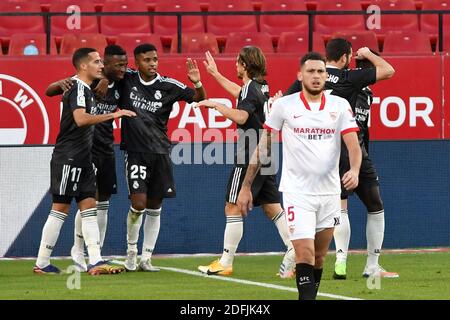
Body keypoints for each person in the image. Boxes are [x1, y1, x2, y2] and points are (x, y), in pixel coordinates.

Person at [237, 52, 362, 300]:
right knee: (304, 254)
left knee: (318, 257)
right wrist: (246, 186)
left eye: (320, 72)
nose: (316, 76)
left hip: (329, 193)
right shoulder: (285, 106)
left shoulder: (340, 106)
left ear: (326, 76)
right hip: (297, 193)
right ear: (300, 75)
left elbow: (353, 145)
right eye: (311, 71)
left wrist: (355, 170)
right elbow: (263, 146)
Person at [285, 39, 398, 280]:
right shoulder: (349, 78)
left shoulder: (307, 78)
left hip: (319, 151)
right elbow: (388, 70)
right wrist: (368, 53)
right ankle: (371, 265)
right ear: (346, 58)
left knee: (334, 208)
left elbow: (284, 104)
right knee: (374, 206)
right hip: (349, 148)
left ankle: (337, 261)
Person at [34, 48, 135, 275]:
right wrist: (114, 115)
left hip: (83, 157)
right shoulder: (78, 87)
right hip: (69, 156)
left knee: (89, 206)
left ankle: (95, 261)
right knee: (60, 208)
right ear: (83, 66)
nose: (101, 65)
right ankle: (41, 262)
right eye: (97, 62)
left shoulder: (83, 87)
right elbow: (80, 120)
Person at [196, 48, 295, 278]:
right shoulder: (261, 86)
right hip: (267, 153)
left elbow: (242, 116)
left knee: (232, 207)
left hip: (250, 154)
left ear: (244, 64)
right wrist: (215, 74)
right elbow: (240, 93)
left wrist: (215, 105)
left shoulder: (252, 88)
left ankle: (225, 262)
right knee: (272, 208)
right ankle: (294, 248)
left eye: (237, 62)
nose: (235, 65)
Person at [120, 44, 207, 272]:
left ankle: (146, 257)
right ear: (137, 62)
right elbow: (108, 71)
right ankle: (130, 251)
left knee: (155, 207)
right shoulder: (127, 78)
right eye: (147, 60)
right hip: (136, 152)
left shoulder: (168, 85)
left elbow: (199, 99)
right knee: (138, 204)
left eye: (155, 59)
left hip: (160, 153)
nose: (153, 64)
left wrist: (197, 82)